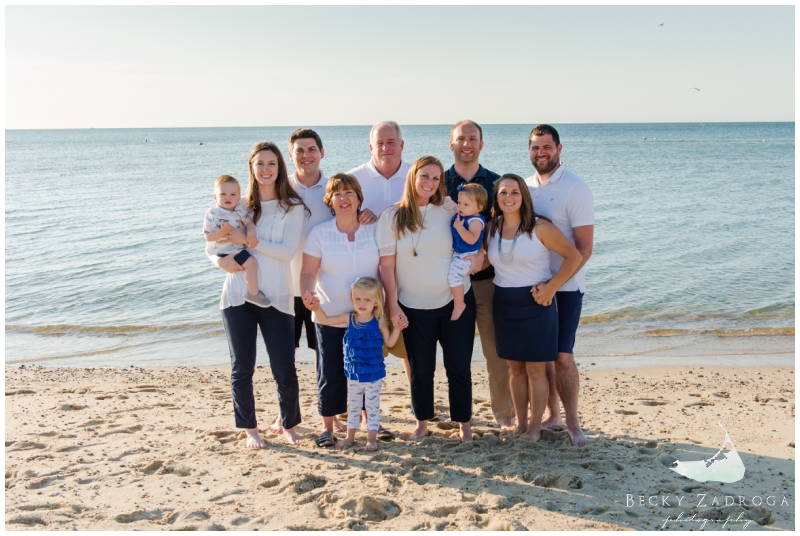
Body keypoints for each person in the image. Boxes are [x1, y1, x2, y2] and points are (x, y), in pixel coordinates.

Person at [207, 141, 308, 448]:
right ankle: (250, 429)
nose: (265, 169)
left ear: (280, 168)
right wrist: (219, 260)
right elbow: (212, 243)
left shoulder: (293, 208)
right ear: (251, 168)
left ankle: (289, 424)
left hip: (276, 296)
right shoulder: (239, 204)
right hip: (238, 297)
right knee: (242, 367)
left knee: (284, 366)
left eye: (271, 164)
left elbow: (287, 251)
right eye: (259, 164)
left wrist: (247, 241)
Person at [377, 156, 484, 443]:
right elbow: (386, 266)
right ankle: (422, 424)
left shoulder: (449, 209)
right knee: (421, 369)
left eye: (436, 178)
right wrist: (392, 304)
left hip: (455, 301)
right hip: (413, 307)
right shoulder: (391, 216)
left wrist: (478, 259)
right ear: (412, 177)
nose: (430, 183)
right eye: (425, 176)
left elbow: (474, 243)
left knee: (458, 366)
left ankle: (464, 426)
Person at [487, 174, 582, 442]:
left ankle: (536, 428)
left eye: (514, 192)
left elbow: (574, 256)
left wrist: (551, 287)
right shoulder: (491, 228)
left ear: (524, 197)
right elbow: (483, 261)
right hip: (504, 303)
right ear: (497, 198)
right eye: (503, 192)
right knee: (514, 369)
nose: (508, 197)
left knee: (535, 370)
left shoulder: (540, 227)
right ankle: (520, 425)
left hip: (536, 303)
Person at [298, 173, 390, 447]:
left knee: (367, 371)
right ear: (330, 200)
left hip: (367, 320)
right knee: (330, 372)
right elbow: (307, 272)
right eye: (337, 193)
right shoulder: (320, 233)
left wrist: (390, 305)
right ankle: (328, 427)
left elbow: (387, 270)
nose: (344, 198)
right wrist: (308, 294)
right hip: (329, 316)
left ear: (359, 198)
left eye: (349, 192)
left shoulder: (374, 230)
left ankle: (370, 421)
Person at [524, 124, 594, 447]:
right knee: (543, 356)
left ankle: (574, 423)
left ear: (559, 149)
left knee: (563, 357)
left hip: (565, 287)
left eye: (547, 147)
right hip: (531, 285)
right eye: (536, 148)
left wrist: (553, 286)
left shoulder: (575, 188)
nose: (541, 153)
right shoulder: (524, 188)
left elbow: (584, 249)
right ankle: (552, 414)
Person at [444, 120, 514, 428]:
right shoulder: (438, 182)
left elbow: (506, 226)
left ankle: (505, 414)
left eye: (473, 138)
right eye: (461, 139)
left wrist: (484, 251)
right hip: (449, 282)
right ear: (452, 144)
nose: (467, 144)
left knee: (496, 354)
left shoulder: (498, 184)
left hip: (487, 282)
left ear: (482, 144)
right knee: (453, 357)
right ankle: (457, 416)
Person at [303, 277, 402, 452]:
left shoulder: (379, 322)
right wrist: (317, 308)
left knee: (372, 407)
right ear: (352, 299)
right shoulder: (348, 318)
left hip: (373, 375)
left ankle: (371, 439)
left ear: (376, 302)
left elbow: (390, 342)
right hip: (353, 374)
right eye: (358, 299)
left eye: (367, 300)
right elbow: (325, 320)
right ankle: (350, 437)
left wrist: (398, 328)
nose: (362, 303)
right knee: (354, 406)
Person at [348, 120, 411, 382]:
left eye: (391, 142)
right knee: (368, 344)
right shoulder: (354, 179)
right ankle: (362, 409)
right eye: (380, 143)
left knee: (409, 346)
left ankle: (418, 403)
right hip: (368, 274)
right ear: (371, 146)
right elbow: (340, 216)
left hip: (408, 272)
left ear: (401, 145)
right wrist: (358, 214)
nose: (386, 148)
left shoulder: (414, 176)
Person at [203, 174, 269, 307]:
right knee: (252, 263)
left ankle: (250, 290)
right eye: (223, 194)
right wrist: (221, 232)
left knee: (251, 263)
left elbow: (249, 223)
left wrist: (250, 235)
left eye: (233, 194)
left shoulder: (239, 209)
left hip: (237, 248)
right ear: (215, 197)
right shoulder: (212, 213)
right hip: (225, 251)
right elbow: (208, 237)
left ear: (239, 198)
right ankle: (253, 293)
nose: (228, 197)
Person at [448, 183, 487, 321]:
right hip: (459, 254)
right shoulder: (463, 216)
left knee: (454, 277)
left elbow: (471, 239)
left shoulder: (475, 221)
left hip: (467, 256)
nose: (460, 207)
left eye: (466, 204)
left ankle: (459, 304)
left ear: (479, 208)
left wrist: (459, 227)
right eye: (459, 202)